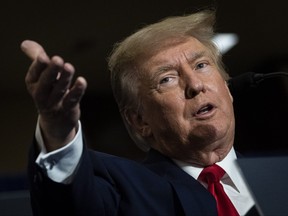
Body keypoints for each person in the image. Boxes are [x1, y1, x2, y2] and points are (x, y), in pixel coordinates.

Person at [21, 9, 259, 216]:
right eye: (167, 79)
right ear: (139, 120)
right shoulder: (120, 190)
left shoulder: (279, 178)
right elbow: (71, 206)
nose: (195, 85)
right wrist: (57, 132)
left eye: (201, 65)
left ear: (227, 88)